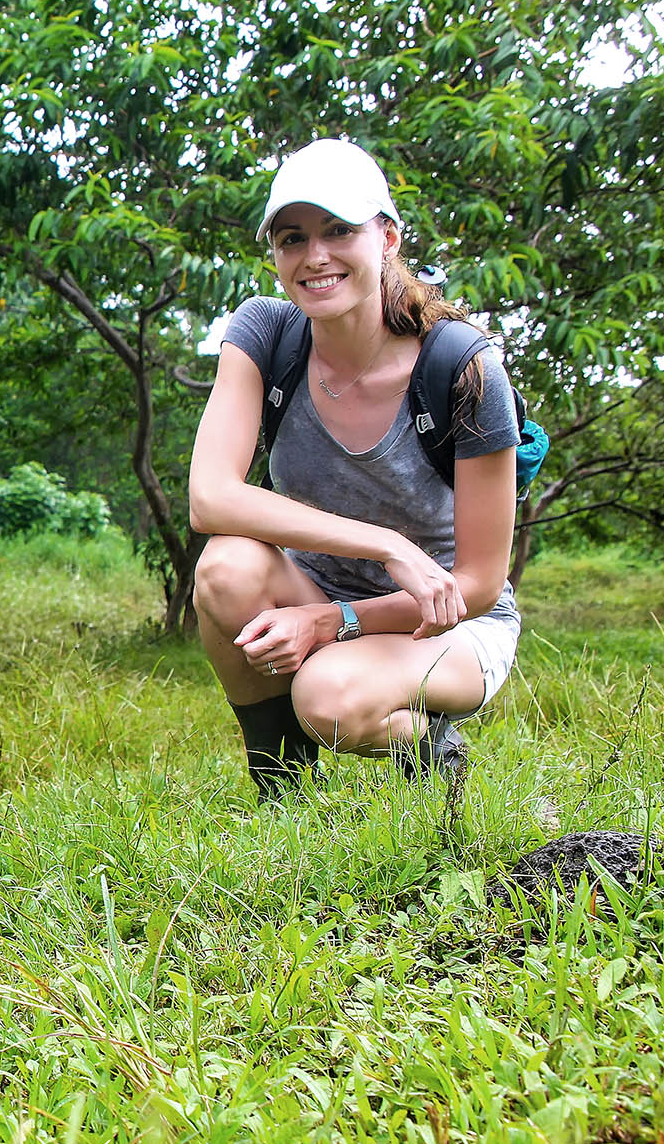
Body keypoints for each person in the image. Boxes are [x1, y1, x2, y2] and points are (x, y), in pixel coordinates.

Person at [187, 137, 521, 803]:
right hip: (320, 587)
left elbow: (478, 585)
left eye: (338, 230)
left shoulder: (461, 367)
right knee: (224, 569)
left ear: (387, 236)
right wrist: (386, 544)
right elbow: (209, 497)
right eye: (292, 238)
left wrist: (334, 622)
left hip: (446, 623)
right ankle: (285, 793)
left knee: (327, 694)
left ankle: (431, 749)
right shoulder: (265, 334)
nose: (315, 256)